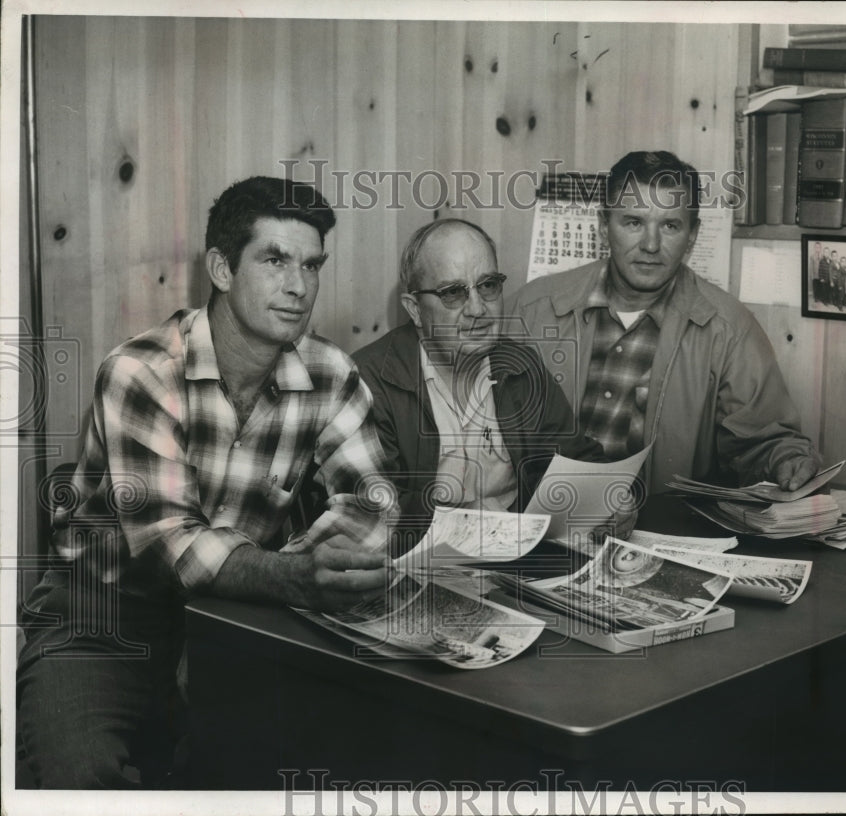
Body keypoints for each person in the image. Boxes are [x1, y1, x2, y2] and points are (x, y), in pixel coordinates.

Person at [16, 176, 396, 789]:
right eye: (274, 260)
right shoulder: (141, 372)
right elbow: (173, 544)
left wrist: (298, 574)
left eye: (311, 264)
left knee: (291, 768)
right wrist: (295, 575)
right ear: (221, 268)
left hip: (239, 611)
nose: (299, 287)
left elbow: (372, 502)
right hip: (102, 618)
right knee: (81, 777)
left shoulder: (332, 374)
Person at [510, 150, 821, 493]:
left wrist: (784, 459)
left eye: (670, 226)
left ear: (692, 236)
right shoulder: (532, 309)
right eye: (633, 222)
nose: (651, 245)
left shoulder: (729, 329)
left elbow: (763, 440)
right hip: (547, 522)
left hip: (661, 526)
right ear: (603, 226)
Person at [353, 218, 626, 549]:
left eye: (488, 286)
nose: (478, 309)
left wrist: (608, 497)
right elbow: (371, 513)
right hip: (421, 565)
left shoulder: (522, 367)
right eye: (453, 292)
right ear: (414, 309)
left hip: (518, 563)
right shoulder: (368, 383)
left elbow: (572, 459)